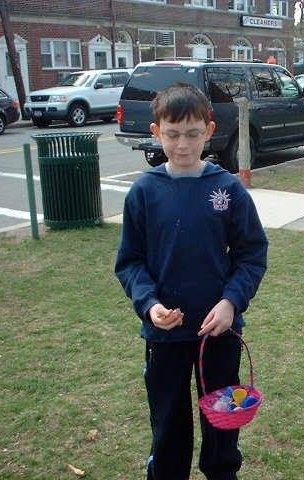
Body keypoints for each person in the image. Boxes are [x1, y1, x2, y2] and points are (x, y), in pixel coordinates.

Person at [115, 83, 268, 480]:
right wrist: (149, 305)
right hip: (164, 336)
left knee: (221, 431)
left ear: (210, 130)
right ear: (156, 132)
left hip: (218, 335)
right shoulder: (144, 192)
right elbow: (130, 262)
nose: (183, 144)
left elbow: (252, 254)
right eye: (173, 134)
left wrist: (231, 301)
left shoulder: (228, 189)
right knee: (168, 427)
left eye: (193, 133)